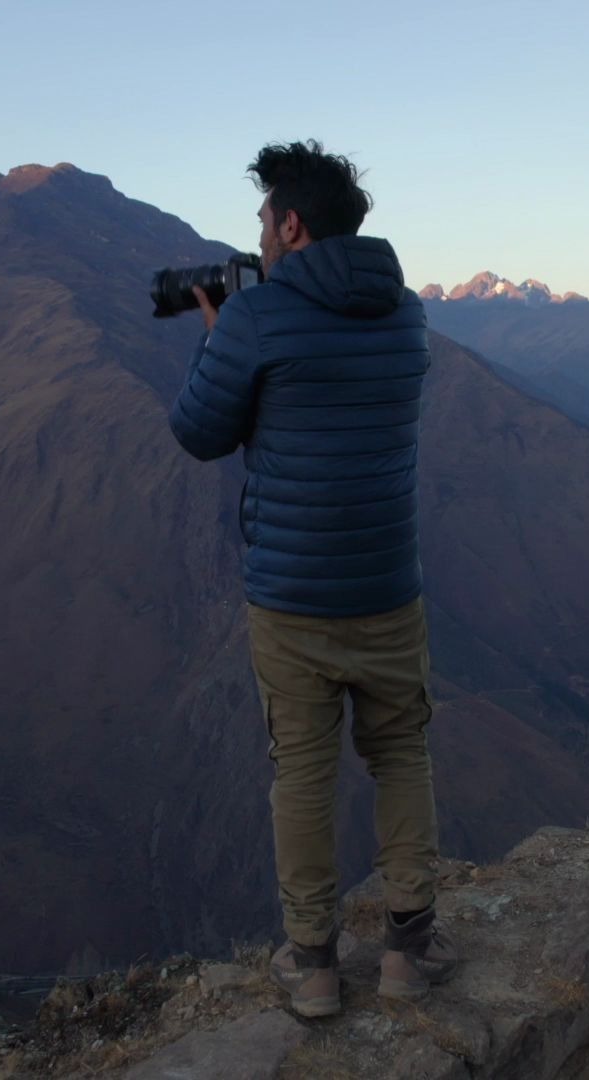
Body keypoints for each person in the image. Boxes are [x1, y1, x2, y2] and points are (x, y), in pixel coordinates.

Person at [167, 140, 457, 1018]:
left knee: (301, 771)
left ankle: (316, 967)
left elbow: (199, 432)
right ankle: (408, 951)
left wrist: (220, 341)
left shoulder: (258, 320)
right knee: (401, 751)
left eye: (263, 221)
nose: (257, 239)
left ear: (290, 225)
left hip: (292, 596)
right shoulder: (407, 314)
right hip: (387, 584)